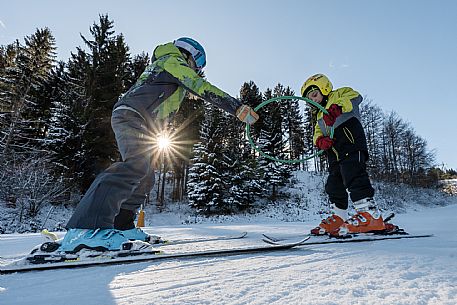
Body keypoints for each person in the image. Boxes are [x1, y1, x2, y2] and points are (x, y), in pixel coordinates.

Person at [60, 37, 259, 252]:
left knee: (146, 175)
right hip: (132, 116)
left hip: (142, 122)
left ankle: (122, 226)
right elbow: (199, 85)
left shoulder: (167, 68)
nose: (197, 69)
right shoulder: (171, 60)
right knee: (135, 165)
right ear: (189, 54)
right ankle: (88, 229)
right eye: (198, 64)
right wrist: (237, 107)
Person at [301, 73, 385, 237]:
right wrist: (319, 141)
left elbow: (354, 98)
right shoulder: (320, 116)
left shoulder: (341, 94)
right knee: (333, 185)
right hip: (334, 155)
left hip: (351, 144)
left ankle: (370, 215)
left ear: (324, 88)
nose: (314, 100)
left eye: (315, 95)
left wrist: (337, 107)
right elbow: (317, 133)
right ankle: (339, 218)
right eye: (310, 100)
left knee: (354, 177)